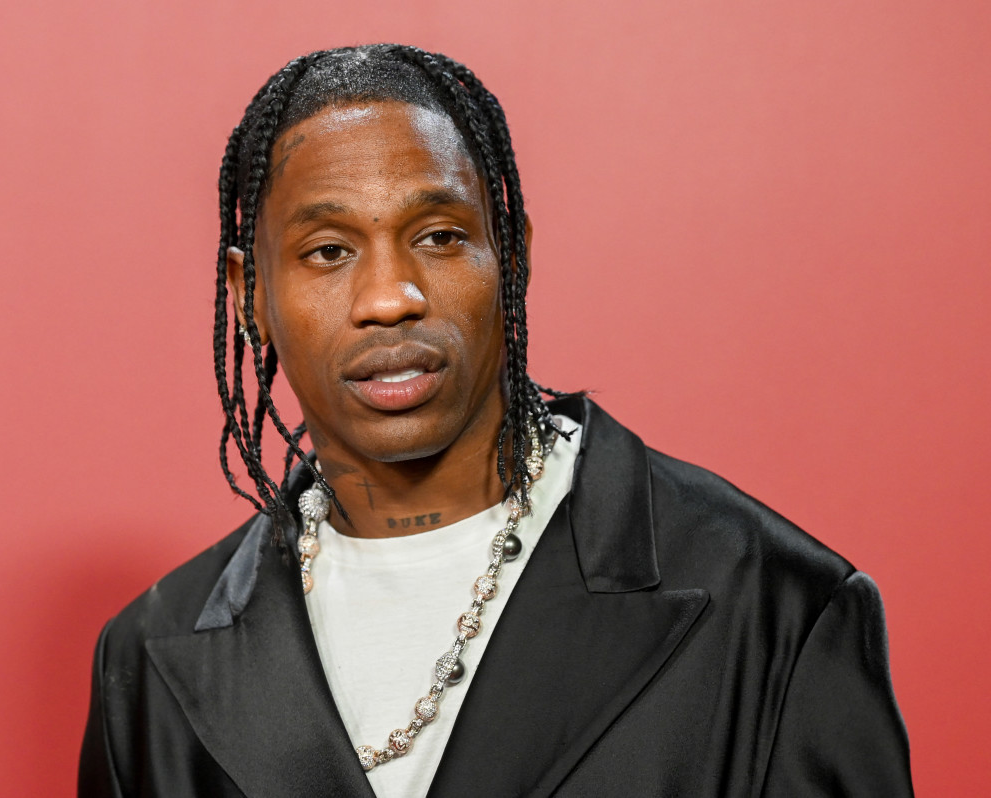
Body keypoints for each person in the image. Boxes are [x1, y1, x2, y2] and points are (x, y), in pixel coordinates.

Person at [78, 44, 912, 797]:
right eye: (329, 251)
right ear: (249, 295)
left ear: (511, 254)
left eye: (440, 236)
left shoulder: (775, 606)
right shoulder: (146, 660)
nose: (390, 298)